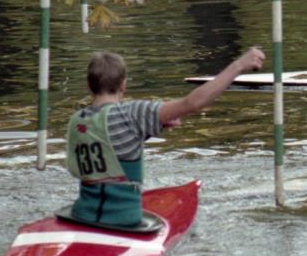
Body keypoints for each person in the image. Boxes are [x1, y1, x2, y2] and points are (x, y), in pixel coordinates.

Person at [65, 47, 265, 227]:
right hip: (122, 220)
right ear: (124, 84)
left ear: (89, 85)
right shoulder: (132, 113)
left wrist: (147, 129)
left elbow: (108, 144)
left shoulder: (77, 121)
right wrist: (238, 65)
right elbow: (193, 103)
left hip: (82, 215)